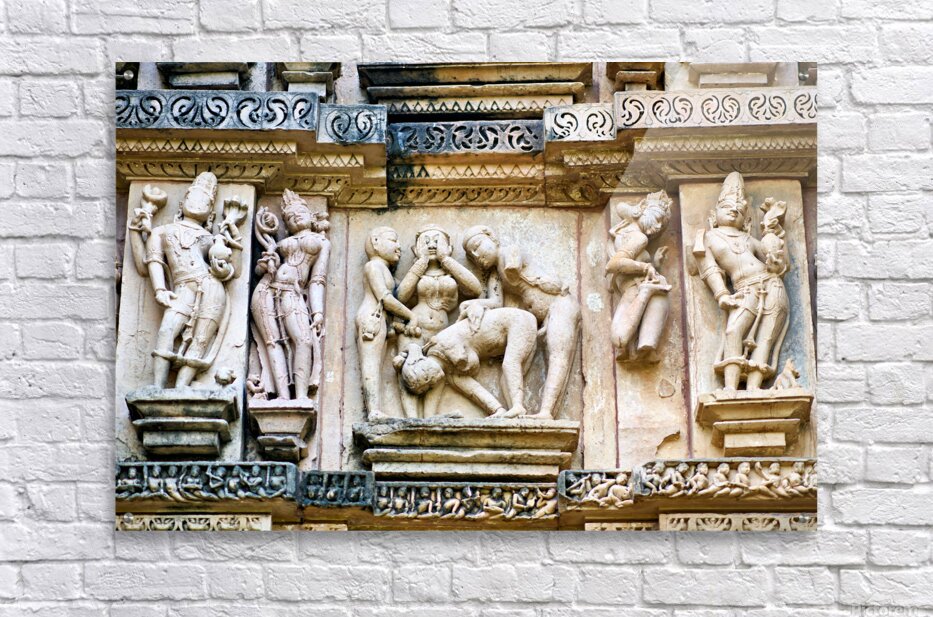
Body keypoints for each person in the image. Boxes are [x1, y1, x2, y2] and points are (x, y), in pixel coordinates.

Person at [129, 172, 247, 388]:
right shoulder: (161, 232)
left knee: (200, 339)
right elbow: (147, 264)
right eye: (194, 197)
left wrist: (233, 238)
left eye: (205, 201)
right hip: (182, 288)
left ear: (211, 212)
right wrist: (159, 289)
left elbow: (235, 271)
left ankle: (181, 388)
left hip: (211, 288)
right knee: (167, 331)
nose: (198, 202)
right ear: (182, 203)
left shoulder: (210, 237)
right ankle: (158, 388)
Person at [461, 226, 581, 418]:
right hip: (541, 317)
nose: (476, 255)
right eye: (471, 255)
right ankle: (521, 409)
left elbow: (513, 268)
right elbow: (496, 303)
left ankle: (546, 412)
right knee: (518, 364)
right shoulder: (495, 276)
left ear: (491, 238)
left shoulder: (509, 251)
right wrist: (472, 304)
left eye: (477, 246)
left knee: (557, 356)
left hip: (560, 304)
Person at [694, 171, 790, 391]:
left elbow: (776, 262)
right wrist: (722, 294)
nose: (734, 210)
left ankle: (754, 389)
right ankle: (730, 388)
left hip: (772, 284)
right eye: (727, 206)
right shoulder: (708, 237)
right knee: (733, 331)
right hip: (745, 290)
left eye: (740, 208)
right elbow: (709, 269)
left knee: (766, 337)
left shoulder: (749, 238)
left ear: (746, 220)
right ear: (714, 214)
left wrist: (774, 240)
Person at [394, 225, 482, 417]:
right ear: (415, 249)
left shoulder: (450, 271)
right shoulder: (418, 271)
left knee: (437, 373)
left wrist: (446, 260)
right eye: (426, 241)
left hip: (441, 331)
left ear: (449, 247)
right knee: (409, 368)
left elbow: (475, 289)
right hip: (415, 328)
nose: (432, 245)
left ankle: (430, 417)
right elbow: (401, 296)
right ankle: (410, 418)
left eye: (437, 240)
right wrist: (421, 262)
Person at [250, 190, 330, 400]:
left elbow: (317, 280)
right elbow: (258, 271)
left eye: (300, 212)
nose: (295, 217)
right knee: (272, 341)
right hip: (266, 288)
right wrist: (266, 264)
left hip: (293, 292)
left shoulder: (321, 242)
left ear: (311, 216)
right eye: (289, 217)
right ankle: (283, 397)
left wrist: (318, 312)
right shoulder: (279, 243)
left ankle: (301, 395)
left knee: (304, 340)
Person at [395, 306, 538, 418]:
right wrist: (428, 418)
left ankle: (518, 406)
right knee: (503, 379)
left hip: (516, 321)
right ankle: (498, 409)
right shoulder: (445, 366)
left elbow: (472, 364)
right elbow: (472, 389)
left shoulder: (443, 343)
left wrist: (460, 368)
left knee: (510, 364)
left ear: (422, 361)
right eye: (428, 385)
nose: (432, 380)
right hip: (505, 336)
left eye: (426, 375)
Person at [355, 227, 420, 419]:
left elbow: (404, 293)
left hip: (381, 321)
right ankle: (373, 410)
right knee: (371, 364)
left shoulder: (385, 271)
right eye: (393, 240)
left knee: (377, 364)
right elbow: (385, 298)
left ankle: (376, 408)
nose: (398, 246)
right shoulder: (373, 266)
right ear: (375, 242)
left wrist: (420, 263)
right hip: (371, 319)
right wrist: (411, 316)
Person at [606, 190, 673, 363]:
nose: (658, 226)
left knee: (621, 335)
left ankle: (636, 347)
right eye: (657, 218)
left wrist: (655, 263)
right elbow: (613, 264)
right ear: (643, 209)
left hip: (632, 286)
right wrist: (646, 266)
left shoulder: (625, 232)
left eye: (662, 224)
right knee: (660, 294)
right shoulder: (639, 237)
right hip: (636, 287)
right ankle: (646, 345)